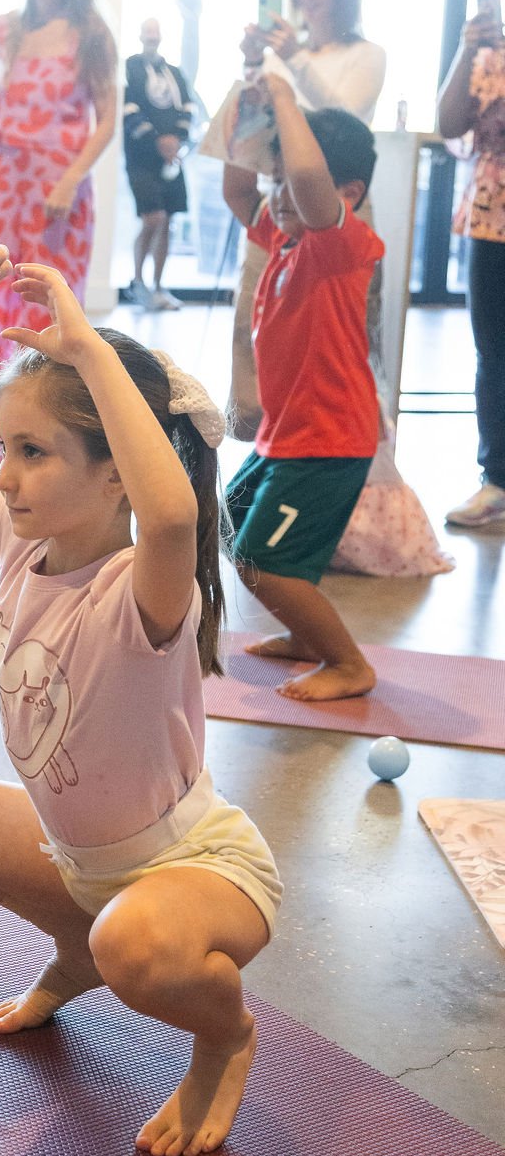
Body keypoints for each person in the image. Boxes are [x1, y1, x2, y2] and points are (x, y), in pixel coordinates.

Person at [0, 238, 281, 1156]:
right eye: (5, 448)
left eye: (33, 452)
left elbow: (172, 515)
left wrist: (91, 351)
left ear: (115, 474)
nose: (3, 474)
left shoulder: (145, 589)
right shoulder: (16, 542)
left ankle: (224, 1035)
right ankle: (77, 944)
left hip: (198, 870)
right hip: (81, 859)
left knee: (134, 946)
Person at [222, 75, 383, 702]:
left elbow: (313, 186)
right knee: (233, 524)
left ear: (350, 195)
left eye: (291, 179)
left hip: (328, 439)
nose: (278, 192)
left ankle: (347, 663)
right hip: (286, 434)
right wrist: (249, 107)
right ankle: (305, 633)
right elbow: (238, 186)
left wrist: (288, 102)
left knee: (265, 561)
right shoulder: (284, 237)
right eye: (277, 177)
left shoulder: (340, 245)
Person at [0, 0, 117, 466]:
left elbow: (107, 120)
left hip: (58, 196)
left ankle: (41, 444)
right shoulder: (3, 30)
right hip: (5, 186)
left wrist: (71, 179)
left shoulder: (91, 33)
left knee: (46, 309)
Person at [231, 0, 386, 439]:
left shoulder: (367, 54)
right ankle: (256, 433)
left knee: (334, 334)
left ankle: (335, 434)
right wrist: (253, 66)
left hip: (334, 204)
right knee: (253, 319)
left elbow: (345, 115)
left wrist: (292, 60)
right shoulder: (280, 55)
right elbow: (257, 126)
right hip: (279, 202)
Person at [437, 1, 505, 528]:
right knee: (494, 351)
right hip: (493, 216)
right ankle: (498, 480)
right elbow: (450, 123)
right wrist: (467, 48)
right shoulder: (491, 53)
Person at [122, 17, 195, 310]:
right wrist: (157, 140)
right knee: (153, 218)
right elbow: (128, 109)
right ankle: (138, 283)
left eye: (156, 31)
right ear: (141, 35)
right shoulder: (131, 68)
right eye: (147, 31)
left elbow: (188, 107)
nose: (152, 36)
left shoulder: (174, 72)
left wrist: (177, 140)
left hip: (172, 160)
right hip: (141, 159)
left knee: (168, 220)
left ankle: (159, 286)